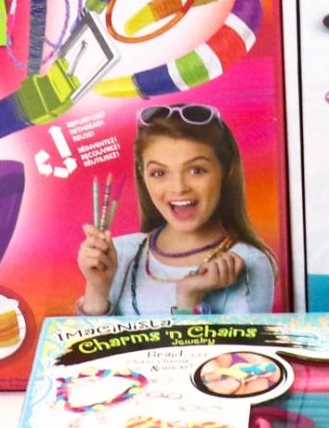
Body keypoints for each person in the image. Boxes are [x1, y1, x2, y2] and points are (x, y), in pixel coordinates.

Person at [77, 104, 277, 315]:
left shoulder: (250, 262)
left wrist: (189, 301)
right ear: (143, 176)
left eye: (196, 170)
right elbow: (87, 338)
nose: (179, 188)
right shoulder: (119, 253)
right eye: (159, 173)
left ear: (225, 170)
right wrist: (97, 290)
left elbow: (245, 339)